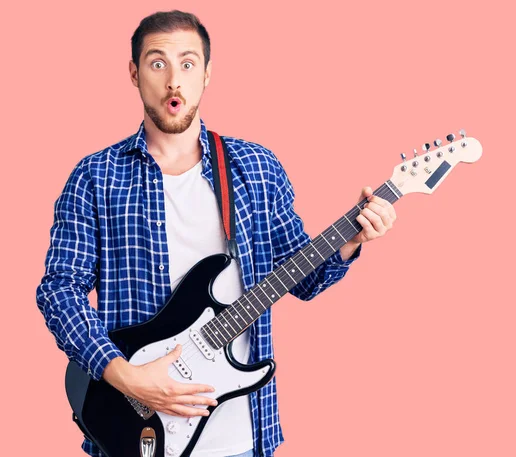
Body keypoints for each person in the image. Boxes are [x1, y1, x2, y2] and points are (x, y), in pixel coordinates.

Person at [35, 10, 396, 457]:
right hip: (134, 428)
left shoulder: (256, 168)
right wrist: (122, 373)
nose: (173, 81)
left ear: (207, 73)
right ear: (133, 73)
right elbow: (59, 290)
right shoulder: (95, 176)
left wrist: (351, 240)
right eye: (156, 63)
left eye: (187, 64)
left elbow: (300, 278)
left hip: (241, 436)